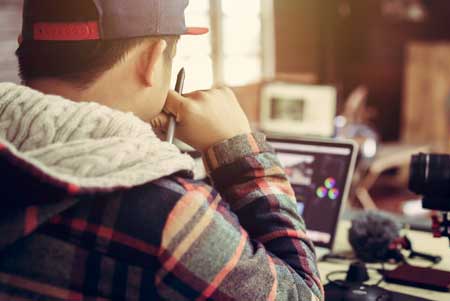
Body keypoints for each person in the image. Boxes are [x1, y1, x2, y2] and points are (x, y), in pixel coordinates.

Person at [0, 0, 323, 300]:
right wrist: (238, 149)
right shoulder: (171, 212)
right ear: (152, 61)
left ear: (22, 46)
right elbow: (302, 293)